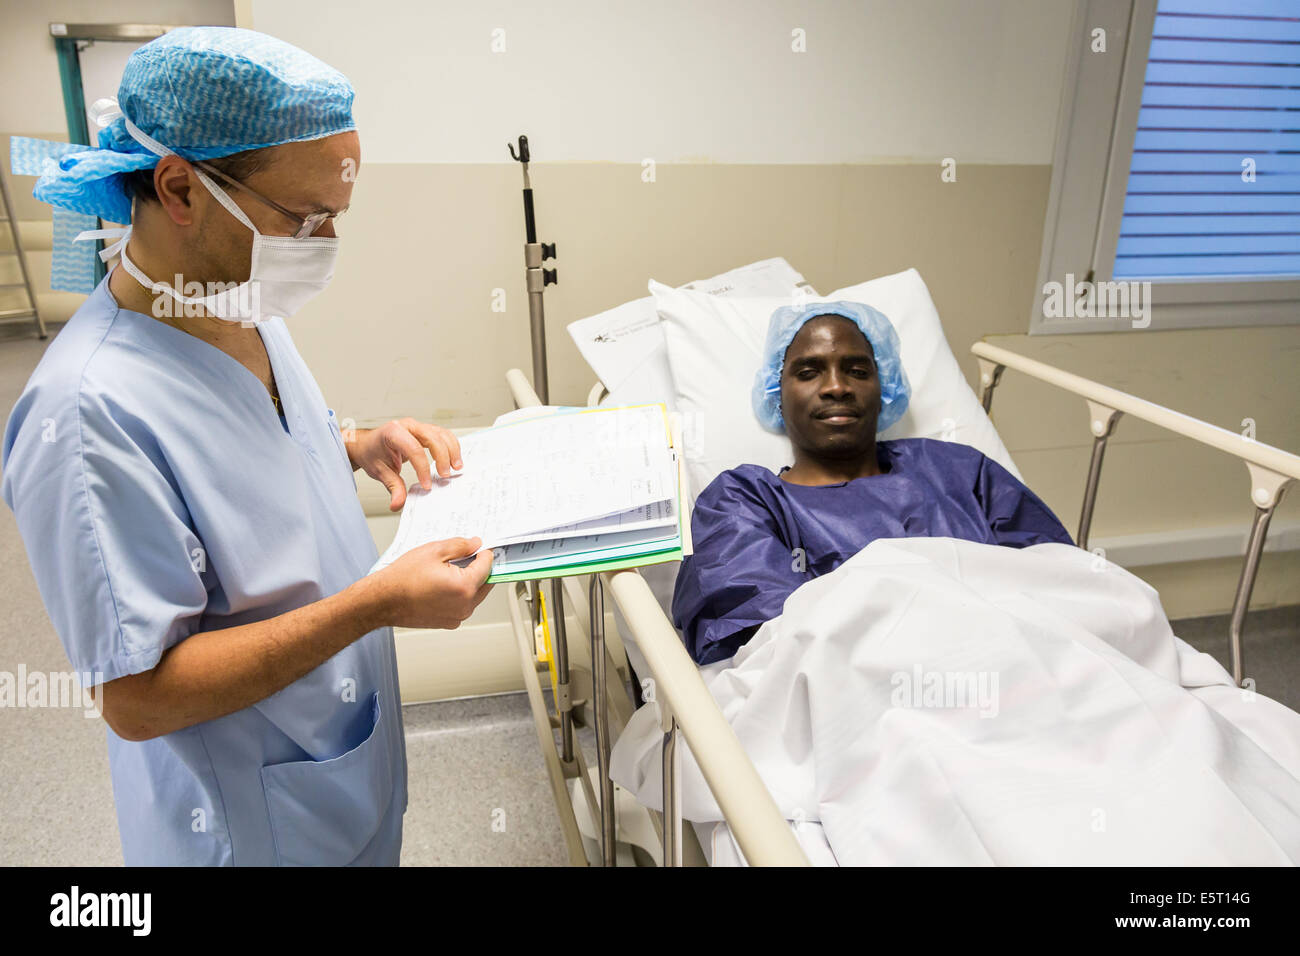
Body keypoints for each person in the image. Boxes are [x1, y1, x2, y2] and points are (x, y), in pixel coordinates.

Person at [2, 27, 492, 865]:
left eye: (335, 216)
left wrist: (353, 443)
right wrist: (374, 604)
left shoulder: (235, 301)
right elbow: (138, 697)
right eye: (304, 218)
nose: (325, 244)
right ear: (180, 189)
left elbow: (246, 441)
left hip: (338, 764)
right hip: (251, 824)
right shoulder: (87, 414)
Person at [672, 301, 1074, 665]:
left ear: (886, 389)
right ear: (777, 393)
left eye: (858, 371)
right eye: (809, 372)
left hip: (1020, 667)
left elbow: (1061, 579)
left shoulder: (960, 472)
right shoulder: (745, 500)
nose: (836, 387)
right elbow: (773, 643)